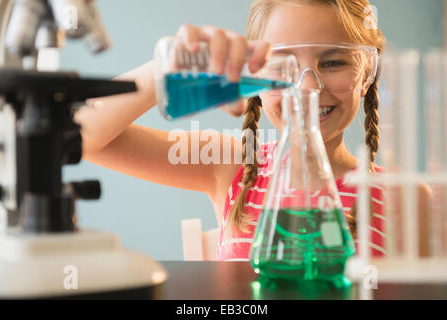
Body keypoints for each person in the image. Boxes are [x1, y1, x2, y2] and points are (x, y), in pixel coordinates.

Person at [75, 0, 429, 260]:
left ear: (367, 74)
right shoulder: (230, 165)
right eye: (281, 65)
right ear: (253, 76)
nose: (307, 88)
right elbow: (81, 137)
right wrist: (165, 65)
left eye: (334, 62)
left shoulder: (408, 198)